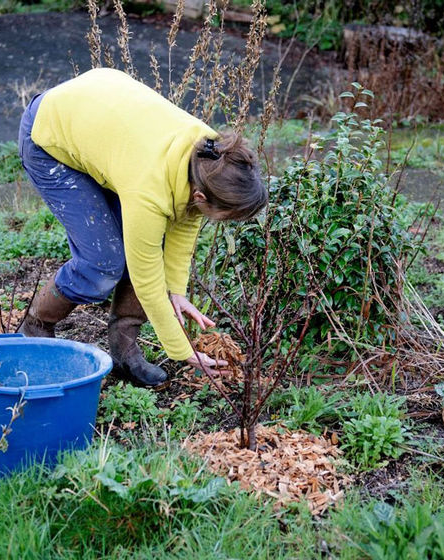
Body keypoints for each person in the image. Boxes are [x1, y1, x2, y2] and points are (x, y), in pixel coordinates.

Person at [16, 67, 266, 387]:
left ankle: (124, 351)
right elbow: (146, 278)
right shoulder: (150, 187)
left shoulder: (211, 157)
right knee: (102, 262)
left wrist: (176, 291)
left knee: (146, 246)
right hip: (50, 131)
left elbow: (186, 219)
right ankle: (35, 326)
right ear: (203, 195)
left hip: (104, 119)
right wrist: (181, 350)